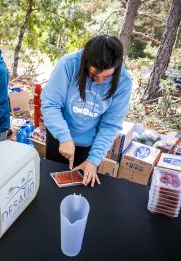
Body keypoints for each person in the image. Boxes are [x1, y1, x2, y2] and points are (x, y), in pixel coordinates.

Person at [41, 35, 132, 187]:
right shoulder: (68, 64)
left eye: (107, 76)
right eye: (94, 76)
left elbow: (110, 125)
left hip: (90, 145)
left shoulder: (124, 81)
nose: (100, 81)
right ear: (86, 61)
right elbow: (51, 104)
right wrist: (64, 137)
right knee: (51, 186)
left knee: (83, 188)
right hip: (59, 136)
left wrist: (93, 160)